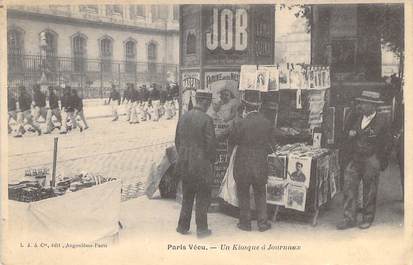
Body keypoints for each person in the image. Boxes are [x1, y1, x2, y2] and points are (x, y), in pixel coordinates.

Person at [337, 90, 391, 230]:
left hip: (371, 158)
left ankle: (367, 218)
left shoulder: (382, 121)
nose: (361, 105)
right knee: (349, 187)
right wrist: (349, 135)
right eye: (361, 103)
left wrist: (379, 160)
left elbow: (387, 143)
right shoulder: (355, 116)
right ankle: (349, 218)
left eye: (364, 103)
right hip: (354, 157)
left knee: (370, 190)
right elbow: (344, 133)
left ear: (373, 105)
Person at [229, 90, 273, 232]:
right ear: (259, 107)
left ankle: (245, 223)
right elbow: (272, 144)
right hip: (260, 162)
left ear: (246, 107)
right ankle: (263, 223)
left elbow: (233, 140)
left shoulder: (240, 123)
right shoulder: (266, 122)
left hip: (243, 163)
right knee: (260, 192)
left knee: (243, 192)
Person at [175, 90, 216, 238]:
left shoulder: (184, 117)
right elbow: (211, 145)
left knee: (187, 195)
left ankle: (182, 226)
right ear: (205, 102)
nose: (209, 106)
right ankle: (202, 230)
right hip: (201, 165)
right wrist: (211, 160)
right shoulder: (206, 120)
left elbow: (177, 141)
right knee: (202, 197)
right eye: (209, 103)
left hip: (185, 164)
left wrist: (184, 156)